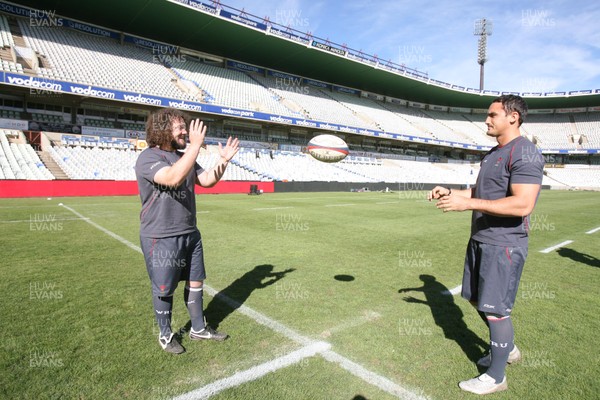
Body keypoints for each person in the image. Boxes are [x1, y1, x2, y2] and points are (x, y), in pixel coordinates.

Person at [427, 95, 544, 394]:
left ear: (513, 117)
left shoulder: (526, 153)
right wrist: (452, 192)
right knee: (476, 300)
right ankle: (509, 349)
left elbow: (522, 203)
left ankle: (496, 376)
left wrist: (467, 204)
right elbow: (481, 190)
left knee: (495, 310)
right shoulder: (492, 153)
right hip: (480, 239)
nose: (487, 120)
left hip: (503, 245)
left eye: (493, 114)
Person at [135, 108, 239, 354]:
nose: (185, 131)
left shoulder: (186, 156)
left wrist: (223, 161)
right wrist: (195, 146)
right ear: (162, 130)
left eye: (185, 126)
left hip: (190, 232)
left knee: (196, 281)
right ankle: (165, 334)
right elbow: (171, 178)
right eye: (180, 127)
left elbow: (207, 181)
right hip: (161, 235)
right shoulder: (148, 158)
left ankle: (198, 328)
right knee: (164, 287)